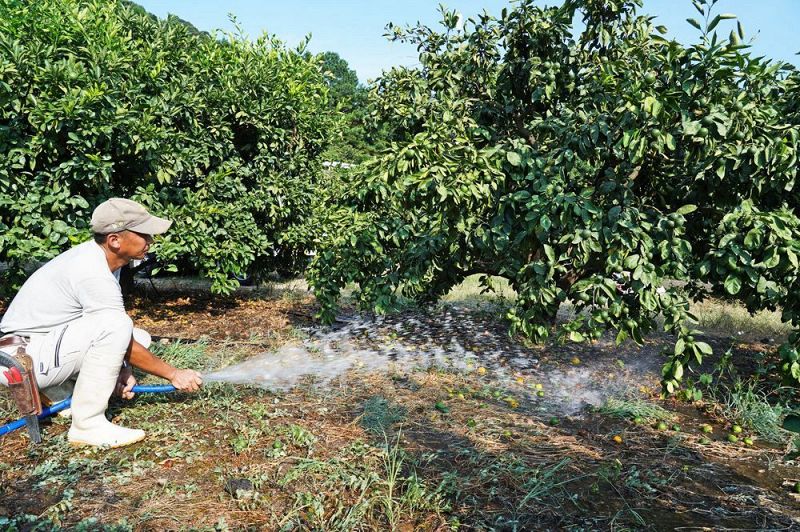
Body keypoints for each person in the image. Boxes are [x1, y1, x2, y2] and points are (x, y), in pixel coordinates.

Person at [0, 198, 203, 447]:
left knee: (139, 336)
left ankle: (58, 391)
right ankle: (87, 425)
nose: (150, 241)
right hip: (18, 362)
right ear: (115, 240)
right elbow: (112, 328)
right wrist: (173, 374)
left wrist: (123, 370)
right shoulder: (90, 270)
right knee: (116, 325)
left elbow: (118, 337)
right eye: (143, 234)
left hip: (39, 349)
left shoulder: (105, 261)